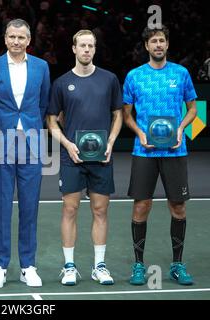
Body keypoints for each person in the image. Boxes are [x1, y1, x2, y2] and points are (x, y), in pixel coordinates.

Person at [46, 30, 123, 286]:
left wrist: (111, 142)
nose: (87, 50)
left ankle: (99, 266)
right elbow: (52, 120)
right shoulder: (61, 83)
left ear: (94, 49)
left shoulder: (109, 79)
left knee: (100, 210)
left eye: (91, 46)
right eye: (83, 45)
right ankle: (69, 266)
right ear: (74, 49)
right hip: (72, 157)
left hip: (101, 158)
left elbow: (118, 114)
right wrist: (67, 144)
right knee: (70, 209)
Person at [0, 18, 50, 288]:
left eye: (21, 37)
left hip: (32, 141)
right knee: (1, 206)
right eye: (11, 37)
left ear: (29, 40)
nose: (16, 41)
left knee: (30, 206)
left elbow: (42, 103)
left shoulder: (42, 67)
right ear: (5, 39)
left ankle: (28, 266)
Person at [123, 25, 197, 286]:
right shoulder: (134, 76)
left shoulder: (181, 73)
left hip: (176, 150)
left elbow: (193, 109)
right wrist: (140, 134)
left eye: (162, 41)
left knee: (178, 206)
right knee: (142, 205)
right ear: (146, 46)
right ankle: (139, 265)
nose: (158, 45)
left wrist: (180, 128)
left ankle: (177, 264)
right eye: (153, 41)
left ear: (167, 44)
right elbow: (126, 114)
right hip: (144, 151)